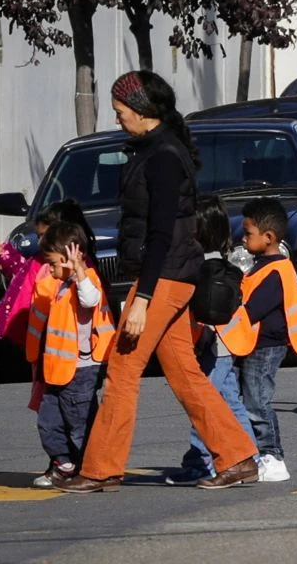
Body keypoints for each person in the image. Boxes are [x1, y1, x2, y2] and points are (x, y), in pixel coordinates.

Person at [55, 71, 258, 494]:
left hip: (163, 279)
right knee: (185, 373)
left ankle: (100, 468)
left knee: (123, 370)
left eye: (120, 111)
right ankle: (237, 457)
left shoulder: (163, 155)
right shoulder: (155, 149)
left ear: (143, 109)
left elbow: (162, 233)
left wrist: (143, 297)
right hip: (171, 276)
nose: (118, 119)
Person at [164, 196, 257, 486]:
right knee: (230, 401)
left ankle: (200, 462)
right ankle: (249, 458)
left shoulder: (196, 267)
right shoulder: (222, 261)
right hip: (228, 344)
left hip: (211, 344)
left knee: (203, 404)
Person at [24, 221, 114, 489]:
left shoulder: (85, 281)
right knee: (48, 421)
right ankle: (64, 463)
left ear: (69, 258)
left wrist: (79, 271)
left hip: (81, 370)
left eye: (52, 263)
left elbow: (90, 300)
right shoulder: (61, 285)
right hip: (57, 370)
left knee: (80, 425)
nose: (49, 270)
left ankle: (92, 468)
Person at [236, 198, 297, 483]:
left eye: (248, 234)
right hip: (259, 344)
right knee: (253, 399)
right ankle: (261, 454)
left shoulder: (275, 271)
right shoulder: (263, 267)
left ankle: (273, 456)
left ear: (268, 238)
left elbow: (254, 309)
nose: (243, 239)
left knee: (258, 401)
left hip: (267, 346)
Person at [0, 200, 97, 383]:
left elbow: (90, 298)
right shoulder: (38, 261)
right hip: (42, 344)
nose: (41, 241)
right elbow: (18, 271)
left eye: (45, 235)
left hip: (68, 350)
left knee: (69, 395)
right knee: (47, 394)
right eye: (39, 236)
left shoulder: (77, 268)